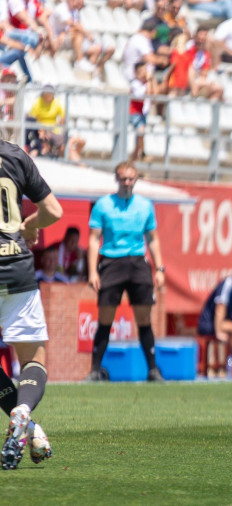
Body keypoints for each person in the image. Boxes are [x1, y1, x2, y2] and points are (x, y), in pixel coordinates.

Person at [0, 136, 63, 469]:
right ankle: (26, 416)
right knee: (32, 362)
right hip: (17, 270)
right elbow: (53, 210)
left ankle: (28, 423)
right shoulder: (14, 155)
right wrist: (28, 225)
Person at [86, 162, 166, 382]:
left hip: (138, 262)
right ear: (117, 179)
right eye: (123, 179)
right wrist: (92, 271)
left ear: (136, 179)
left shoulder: (145, 205)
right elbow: (93, 240)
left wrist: (159, 269)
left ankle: (152, 370)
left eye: (131, 179)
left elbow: (153, 239)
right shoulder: (103, 205)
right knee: (105, 317)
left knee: (144, 317)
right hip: (111, 261)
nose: (127, 183)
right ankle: (94, 370)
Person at [197, 263, 232, 378]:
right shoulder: (228, 284)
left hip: (225, 324)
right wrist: (218, 331)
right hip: (209, 324)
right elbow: (220, 309)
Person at [28, 84, 85, 162]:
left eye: (51, 93)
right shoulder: (37, 102)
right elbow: (32, 119)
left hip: (55, 132)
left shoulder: (56, 102)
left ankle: (73, 163)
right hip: (44, 132)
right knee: (68, 148)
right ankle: (79, 166)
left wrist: (59, 123)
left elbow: (63, 117)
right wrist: (40, 130)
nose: (49, 95)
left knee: (79, 142)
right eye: (47, 93)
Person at [129, 61, 156, 162]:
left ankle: (136, 156)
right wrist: (149, 81)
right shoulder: (135, 84)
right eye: (141, 72)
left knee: (140, 136)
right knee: (141, 131)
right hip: (134, 113)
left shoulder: (145, 84)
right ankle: (141, 154)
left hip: (142, 113)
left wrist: (152, 82)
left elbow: (154, 98)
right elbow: (144, 96)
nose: (144, 74)